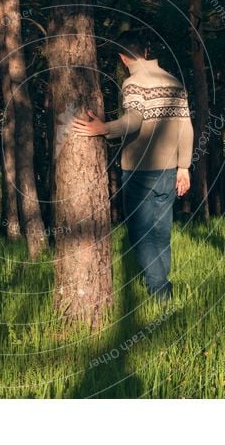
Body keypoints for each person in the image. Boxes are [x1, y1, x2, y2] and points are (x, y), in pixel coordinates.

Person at [71, 31, 194, 301]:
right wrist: (183, 167)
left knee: (140, 234)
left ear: (122, 57)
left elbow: (134, 121)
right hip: (170, 172)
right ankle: (163, 287)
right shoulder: (174, 82)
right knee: (161, 233)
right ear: (146, 52)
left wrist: (104, 128)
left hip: (140, 171)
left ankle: (160, 291)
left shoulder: (134, 83)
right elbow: (186, 127)